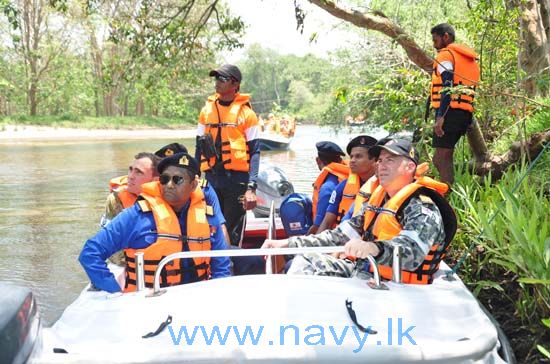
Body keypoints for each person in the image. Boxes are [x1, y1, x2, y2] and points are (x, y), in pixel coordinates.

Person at [262, 139, 457, 284]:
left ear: (410, 166)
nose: (381, 165)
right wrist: (287, 243)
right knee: (305, 261)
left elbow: (411, 252)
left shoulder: (422, 207)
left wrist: (374, 248)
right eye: (380, 160)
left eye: (390, 160)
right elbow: (338, 236)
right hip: (367, 274)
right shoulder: (377, 201)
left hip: (399, 287)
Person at [79, 152, 231, 293]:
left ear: (193, 185)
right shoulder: (137, 216)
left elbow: (221, 266)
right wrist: (114, 292)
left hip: (195, 301)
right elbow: (90, 253)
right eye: (164, 179)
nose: (169, 185)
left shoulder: (208, 216)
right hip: (150, 305)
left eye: (177, 180)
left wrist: (215, 296)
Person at [195, 64, 260, 246]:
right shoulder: (206, 111)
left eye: (222, 79)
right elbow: (198, 146)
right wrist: (194, 177)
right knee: (210, 226)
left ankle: (231, 267)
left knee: (232, 229)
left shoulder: (247, 115)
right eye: (216, 78)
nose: (217, 83)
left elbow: (255, 152)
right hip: (212, 179)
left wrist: (251, 188)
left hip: (237, 181)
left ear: (235, 84)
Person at [430, 23, 480, 185]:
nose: (434, 44)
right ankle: (450, 194)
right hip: (464, 113)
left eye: (435, 40)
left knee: (440, 159)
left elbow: (448, 84)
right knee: (445, 156)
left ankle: (447, 198)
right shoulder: (467, 58)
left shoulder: (445, 55)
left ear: (446, 36)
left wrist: (440, 116)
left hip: (449, 113)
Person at [317, 135, 377, 233]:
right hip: (341, 238)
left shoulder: (383, 188)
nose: (352, 160)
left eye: (358, 156)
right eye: (351, 156)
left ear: (374, 160)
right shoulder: (342, 186)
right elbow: (326, 222)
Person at [309, 141, 349, 234]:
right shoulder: (348, 178)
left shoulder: (327, 187)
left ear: (318, 160)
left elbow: (318, 226)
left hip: (332, 236)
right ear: (340, 160)